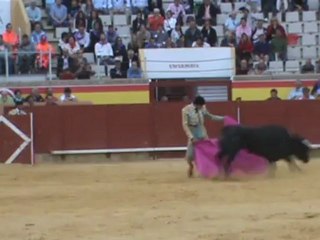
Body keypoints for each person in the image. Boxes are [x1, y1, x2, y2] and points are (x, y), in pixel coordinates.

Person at [181, 96, 225, 177]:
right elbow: (185, 125)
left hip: (202, 133)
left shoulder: (203, 108)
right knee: (189, 156)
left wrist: (223, 119)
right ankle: (191, 166)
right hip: (193, 134)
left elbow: (211, 117)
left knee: (207, 153)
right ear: (196, 104)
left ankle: (207, 170)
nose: (202, 107)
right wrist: (191, 137)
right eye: (200, 106)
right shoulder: (185, 110)